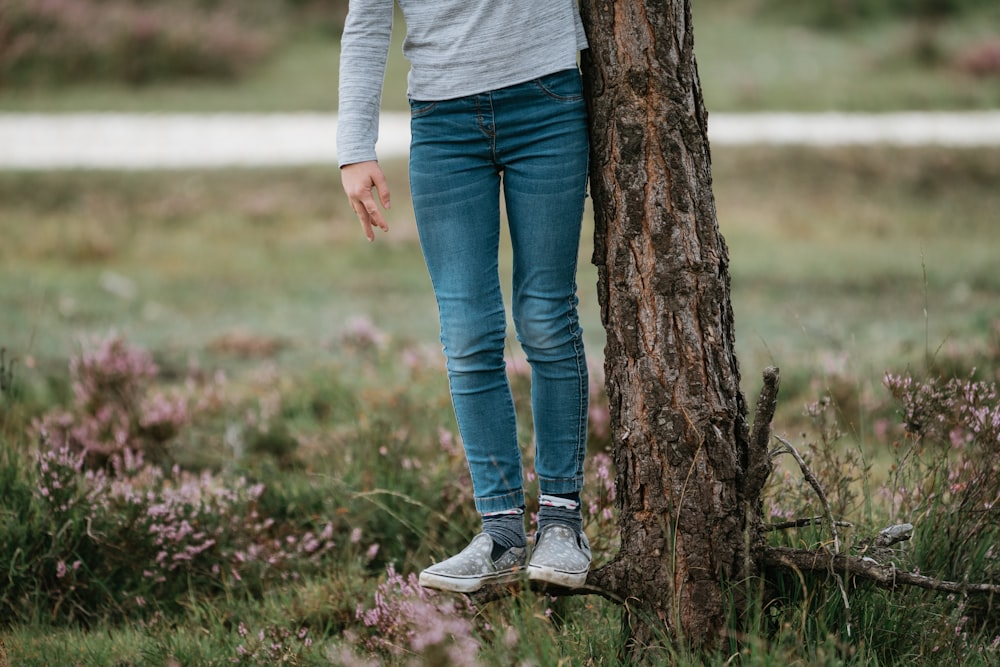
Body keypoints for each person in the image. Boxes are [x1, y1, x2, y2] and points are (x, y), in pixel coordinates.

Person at [338, 0, 592, 593]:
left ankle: (561, 524)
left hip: (548, 101)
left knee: (546, 316)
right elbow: (368, 17)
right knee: (469, 330)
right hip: (443, 126)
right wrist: (355, 146)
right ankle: (501, 534)